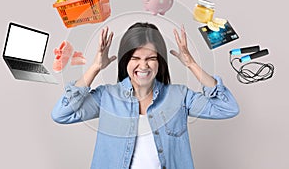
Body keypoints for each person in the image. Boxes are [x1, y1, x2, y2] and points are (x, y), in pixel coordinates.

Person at [51, 22, 239, 169]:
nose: (143, 66)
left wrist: (191, 64)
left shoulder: (178, 96)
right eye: (135, 58)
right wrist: (95, 67)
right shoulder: (107, 97)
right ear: (126, 61)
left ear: (160, 62)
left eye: (151, 59)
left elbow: (227, 107)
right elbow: (61, 113)